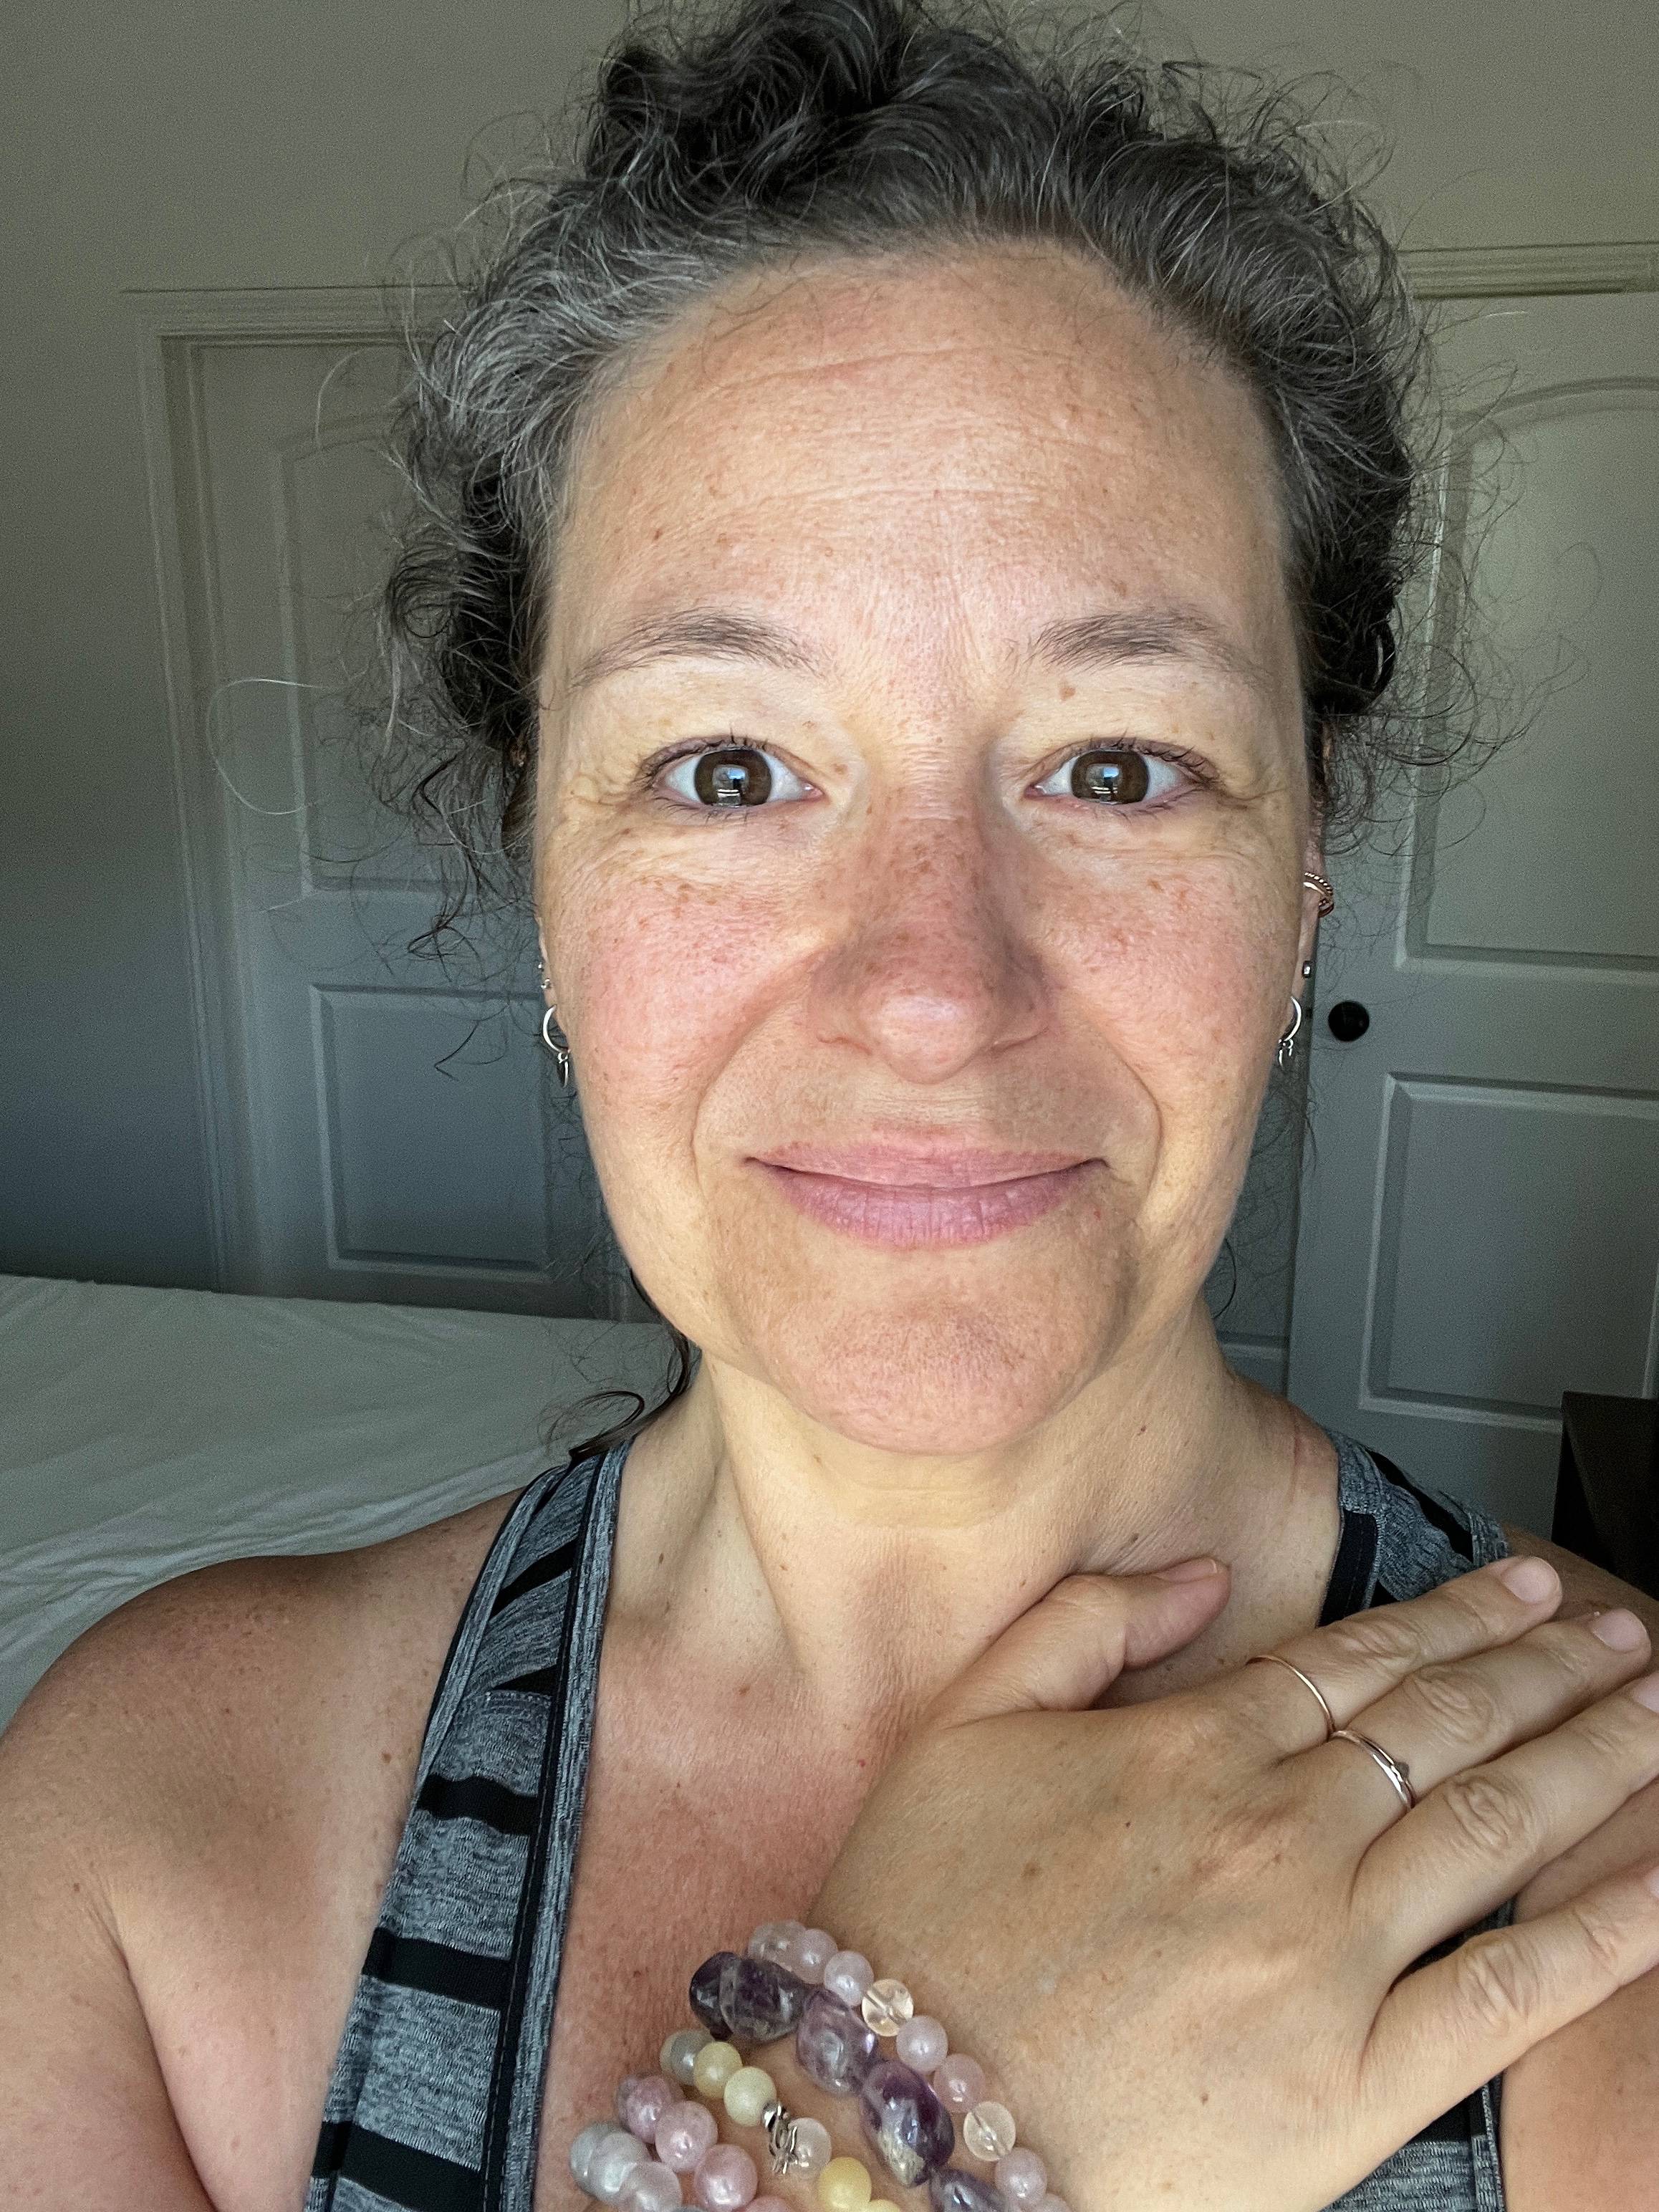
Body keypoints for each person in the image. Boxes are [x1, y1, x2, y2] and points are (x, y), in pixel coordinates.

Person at [4, 1, 1658, 2206]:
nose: (929, 994)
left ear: (1306, 871)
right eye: (727, 770)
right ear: (540, 864)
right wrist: (891, 2128)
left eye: (1115, 765)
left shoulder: (1602, 1870)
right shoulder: (149, 1820)